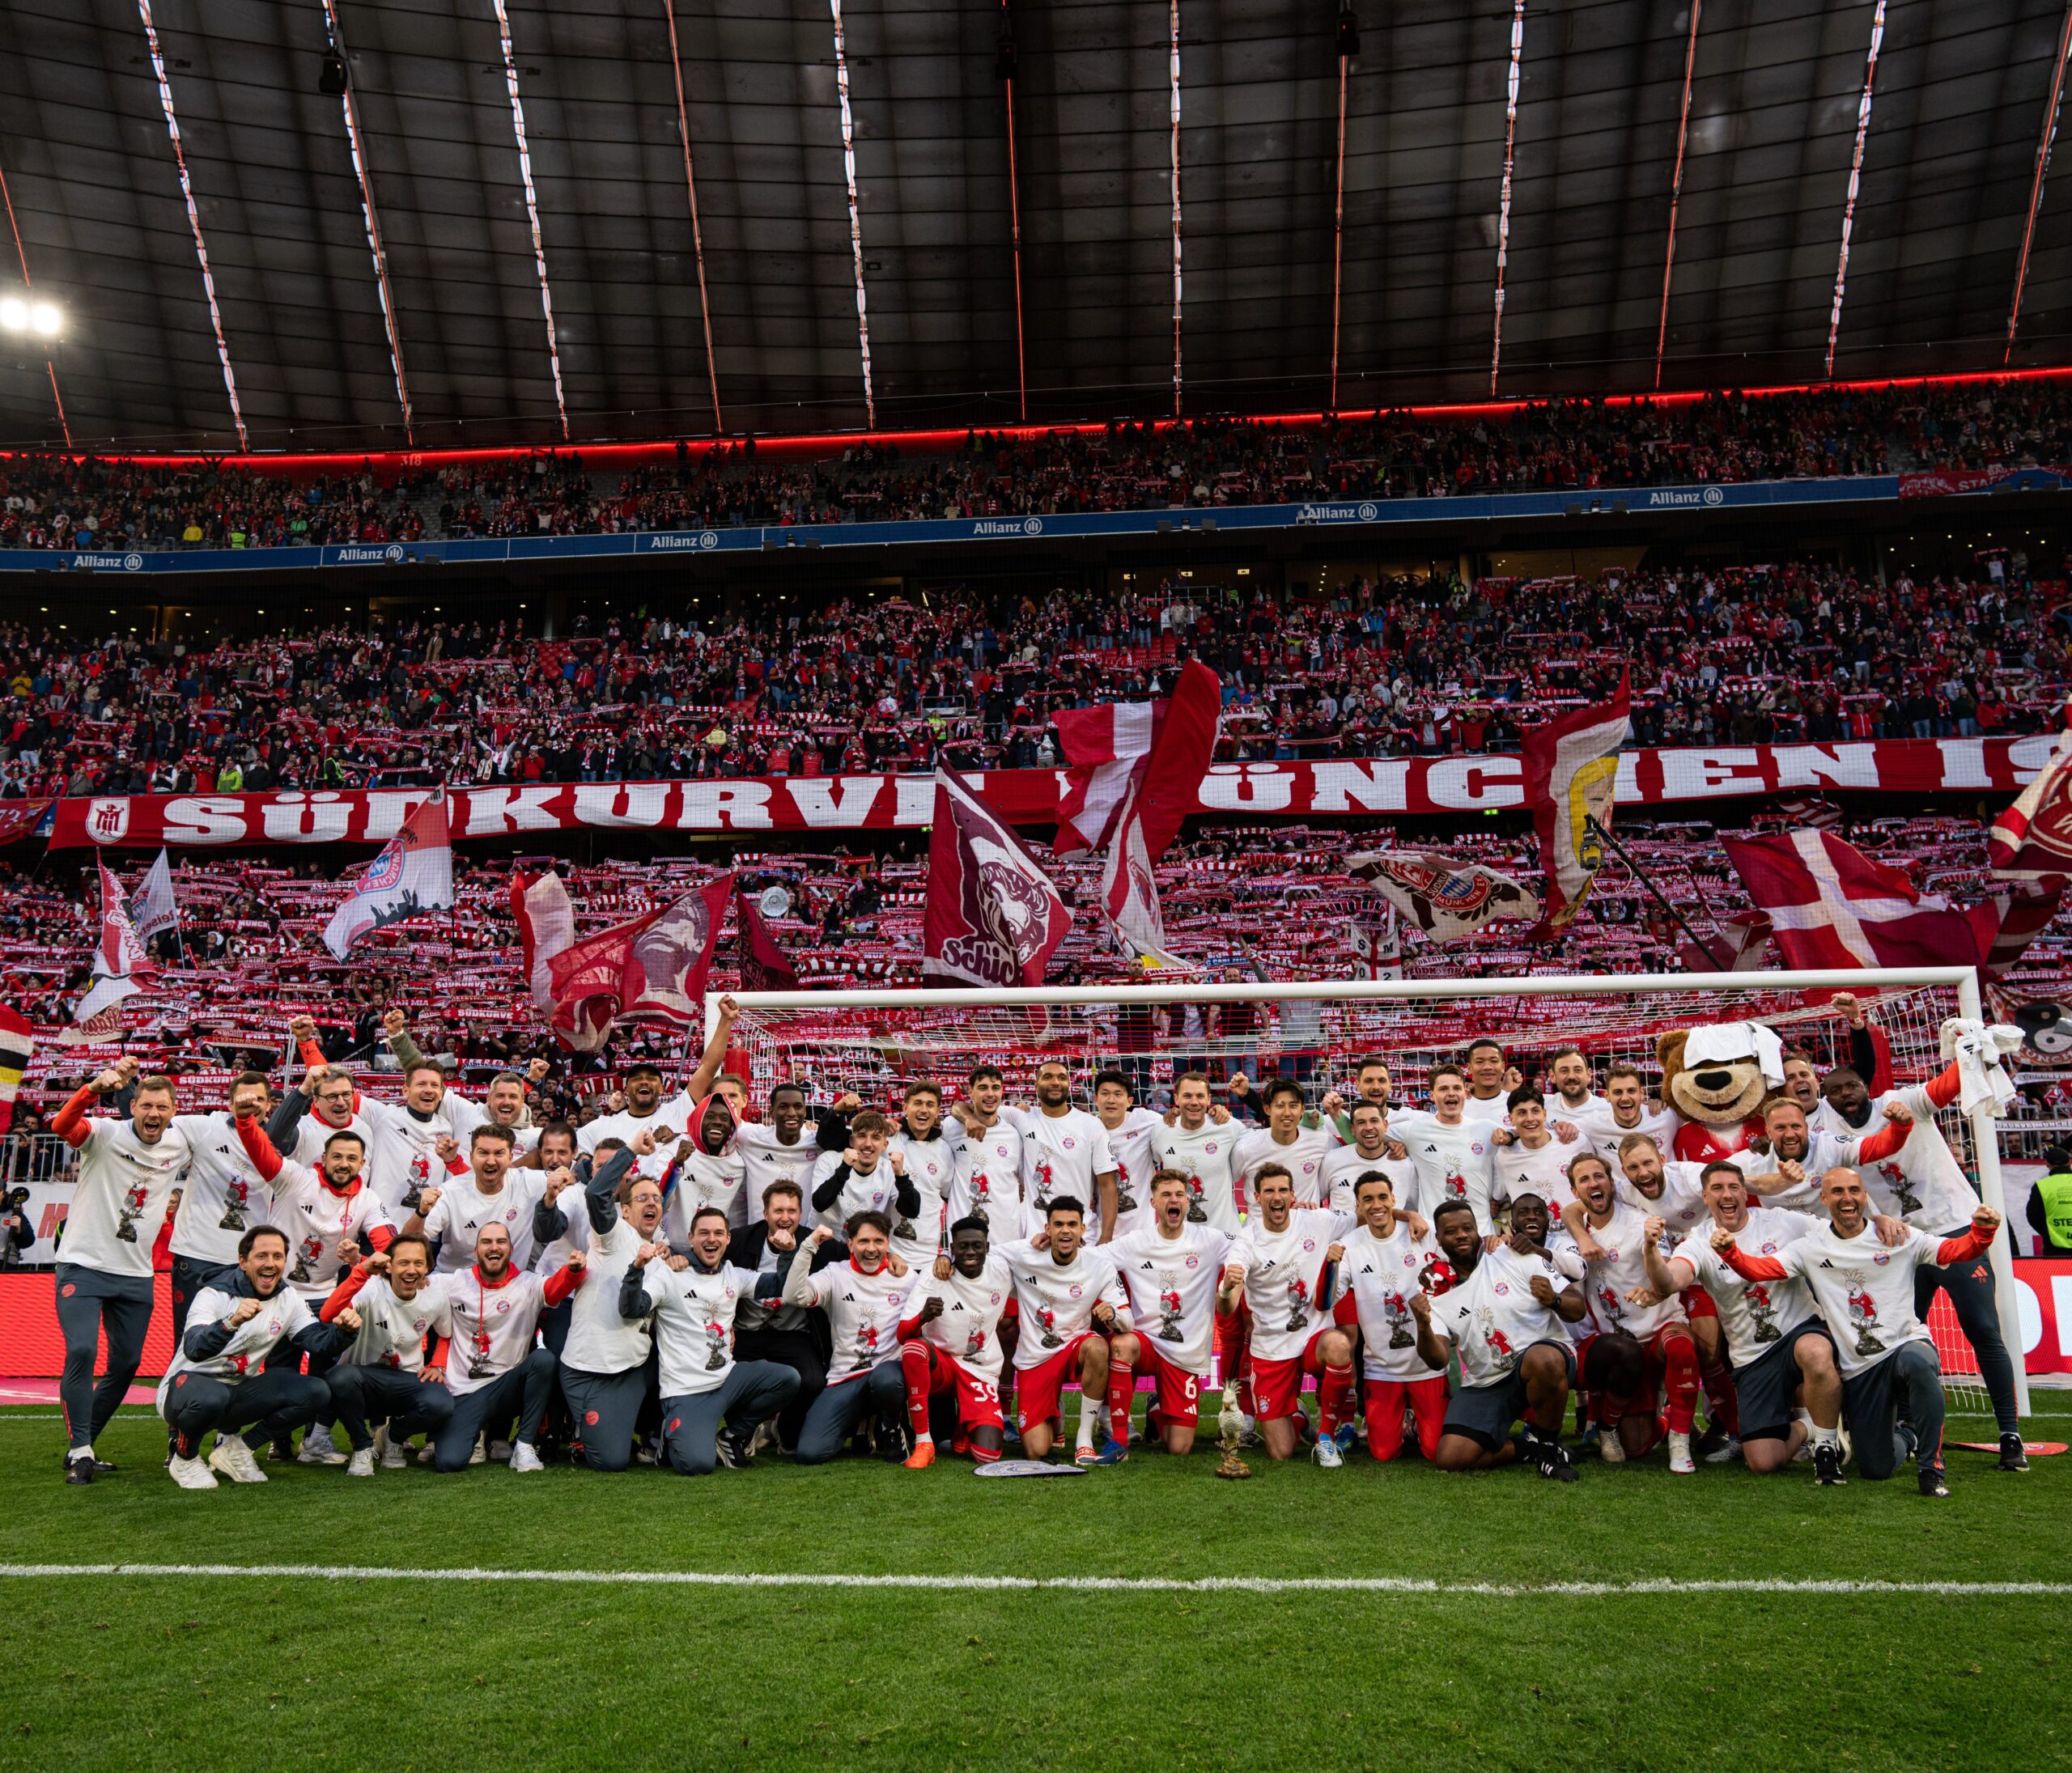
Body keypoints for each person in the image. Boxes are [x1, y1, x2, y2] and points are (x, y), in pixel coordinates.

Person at [1810, 1021, 2025, 1470]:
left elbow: (1946, 1088)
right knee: (1899, 1340)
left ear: (1866, 1085)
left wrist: (1966, 1056)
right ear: (1827, 1098)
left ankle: (2010, 1433)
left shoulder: (1901, 1101)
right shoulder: (1830, 1131)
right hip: (1900, 1244)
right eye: (1836, 1090)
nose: (1846, 1094)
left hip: (1952, 1229)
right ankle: (1906, 1427)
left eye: (1851, 1085)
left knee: (1983, 1328)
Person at [1713, 1167, 2003, 1496]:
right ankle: (1908, 1435)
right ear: (1824, 1199)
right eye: (1837, 1192)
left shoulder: (1897, 1235)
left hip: (1904, 1344)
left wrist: (1982, 1232)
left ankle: (1931, 1470)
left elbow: (1954, 1251)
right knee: (1875, 1468)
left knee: (1921, 1363)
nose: (1847, 1198)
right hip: (1860, 1369)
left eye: (1854, 1190)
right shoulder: (1810, 1247)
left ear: (1865, 1196)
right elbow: (1761, 1269)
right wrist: (1729, 1253)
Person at [1647, 1161, 1878, 1482]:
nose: (1726, 1194)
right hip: (1752, 1356)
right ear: (1705, 1197)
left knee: (1816, 1352)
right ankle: (1808, 1426)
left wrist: (1878, 1221)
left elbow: (1838, 1227)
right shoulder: (1699, 1241)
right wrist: (1650, 1249)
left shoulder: (1780, 1222)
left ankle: (1826, 1449)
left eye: (1733, 1187)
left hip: (1799, 1330)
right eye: (1717, 1188)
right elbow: (1669, 1282)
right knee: (1762, 1461)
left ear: (1745, 1193)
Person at [50, 1058, 197, 1483]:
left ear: (174, 1111)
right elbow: (63, 1127)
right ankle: (80, 1449)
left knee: (128, 1363)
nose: (153, 1114)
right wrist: (92, 1089)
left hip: (136, 1274)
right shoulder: (105, 1133)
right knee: (81, 1351)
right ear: (132, 1106)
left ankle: (84, 1444)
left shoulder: (180, 1145)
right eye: (146, 1105)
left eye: (162, 1108)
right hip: (84, 1263)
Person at [158, 1224, 355, 1489]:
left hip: (237, 1395)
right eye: (262, 1256)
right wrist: (230, 1322)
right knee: (211, 1396)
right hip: (184, 1390)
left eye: (278, 1256)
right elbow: (194, 1348)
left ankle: (238, 1450)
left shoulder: (289, 1299)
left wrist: (344, 1332)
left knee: (316, 1390)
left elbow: (318, 1341)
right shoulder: (213, 1294)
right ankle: (186, 1457)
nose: (270, 1264)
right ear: (243, 1262)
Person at [1409, 1194, 1586, 1481]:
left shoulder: (1515, 1255)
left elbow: (1577, 1308)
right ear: (1439, 1240)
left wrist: (1553, 1300)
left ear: (1478, 1229)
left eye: (1467, 1228)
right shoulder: (1436, 1288)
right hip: (1486, 1380)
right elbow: (1437, 1358)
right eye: (1451, 1232)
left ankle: (1549, 1444)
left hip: (1541, 1360)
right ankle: (1529, 1448)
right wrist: (1422, 1325)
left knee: (1542, 1359)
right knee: (1450, 1458)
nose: (1461, 1235)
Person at [619, 1203, 796, 1475]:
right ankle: (669, 1437)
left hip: (727, 1380)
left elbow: (780, 1286)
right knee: (697, 1465)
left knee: (788, 1379)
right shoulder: (670, 1274)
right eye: (703, 1233)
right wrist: (636, 1269)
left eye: (718, 1233)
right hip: (686, 1390)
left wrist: (786, 1254)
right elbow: (631, 1309)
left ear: (728, 1239)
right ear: (691, 1239)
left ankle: (731, 1436)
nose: (711, 1239)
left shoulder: (734, 1275)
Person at [1560, 1152, 1701, 1471]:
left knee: (1681, 1347)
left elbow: (1666, 1272)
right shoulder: (1572, 1233)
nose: (1593, 1183)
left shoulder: (1642, 1222)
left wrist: (1651, 1249)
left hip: (1662, 1327)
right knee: (1637, 1447)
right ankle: (1666, 1419)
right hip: (1625, 1349)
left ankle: (1681, 1442)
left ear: (1611, 1183)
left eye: (1599, 1176)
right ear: (1575, 1192)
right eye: (1584, 1179)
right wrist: (1581, 1237)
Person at [1217, 1163, 1354, 1465]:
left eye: (1282, 1190)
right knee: (1281, 1452)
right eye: (1269, 1191)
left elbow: (1368, 1215)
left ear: (1293, 1195)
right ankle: (1300, 1418)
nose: (1276, 1197)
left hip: (1313, 1336)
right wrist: (1227, 1290)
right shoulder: (1246, 1242)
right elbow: (1227, 1306)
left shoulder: (1318, 1220)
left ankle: (1326, 1438)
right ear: (1256, 1197)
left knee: (1340, 1345)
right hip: (1272, 1347)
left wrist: (1407, 1215)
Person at [996, 1196, 1134, 1464]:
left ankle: (1084, 1440)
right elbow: (985, 1254)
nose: (1065, 1230)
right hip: (1035, 1360)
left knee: (1097, 1346)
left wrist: (1113, 1314)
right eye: (1058, 1224)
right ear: (1047, 1229)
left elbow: (1128, 1321)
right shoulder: (1025, 1253)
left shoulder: (1098, 1263)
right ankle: (1053, 1415)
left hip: (1074, 1349)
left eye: (1073, 1224)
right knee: (1036, 1451)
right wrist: (946, 1255)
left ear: (1083, 1229)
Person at [549, 1134, 656, 1470]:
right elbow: (596, 1192)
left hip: (632, 1367)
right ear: (624, 1210)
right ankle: (582, 1430)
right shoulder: (613, 1235)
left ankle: (653, 1433)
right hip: (590, 1369)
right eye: (641, 1198)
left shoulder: (660, 1248)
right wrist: (633, 1151)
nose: (651, 1203)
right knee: (609, 1461)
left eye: (656, 1198)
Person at [428, 1219, 569, 1473]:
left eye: (501, 1241)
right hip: (465, 1393)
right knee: (449, 1461)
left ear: (510, 1249)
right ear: (476, 1251)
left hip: (507, 1388)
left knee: (544, 1360)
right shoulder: (453, 1283)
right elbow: (414, 1283)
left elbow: (555, 1290)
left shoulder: (527, 1283)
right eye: (487, 1242)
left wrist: (574, 1270)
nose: (494, 1247)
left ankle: (524, 1446)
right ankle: (473, 1435)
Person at [1331, 1169, 1448, 1462]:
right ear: (1358, 1206)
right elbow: (1329, 1298)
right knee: (1384, 1454)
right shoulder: (1350, 1245)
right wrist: (1330, 1267)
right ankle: (1406, 1424)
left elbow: (1453, 1267)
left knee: (1436, 1452)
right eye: (1367, 1200)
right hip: (1382, 1369)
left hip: (1428, 1366)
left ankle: (1418, 1423)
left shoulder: (1420, 1233)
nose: (1376, 1205)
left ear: (1394, 1199)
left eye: (1383, 1197)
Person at [1113, 1170, 1231, 1455]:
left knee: (1179, 1448)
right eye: (1165, 1195)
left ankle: (1156, 1411)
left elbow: (1253, 1245)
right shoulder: (1134, 1242)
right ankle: (1117, 1439)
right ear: (1153, 1202)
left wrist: (1301, 1219)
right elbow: (1090, 1260)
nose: (1173, 1200)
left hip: (1184, 1353)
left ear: (1188, 1201)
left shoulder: (1212, 1241)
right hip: (1146, 1345)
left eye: (1179, 1194)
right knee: (1121, 1344)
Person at [318, 1235, 457, 1476]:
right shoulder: (373, 1287)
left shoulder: (436, 1296)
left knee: (441, 1402)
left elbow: (445, 1335)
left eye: (418, 1263)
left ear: (427, 1267)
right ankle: (362, 1446)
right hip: (363, 1380)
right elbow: (328, 1314)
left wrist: (438, 1365)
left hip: (405, 1381)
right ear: (389, 1266)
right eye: (403, 1263)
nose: (411, 1270)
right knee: (340, 1377)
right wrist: (361, 1270)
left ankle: (392, 1436)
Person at [785, 1213, 915, 1465]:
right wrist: (809, 1245)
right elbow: (794, 1296)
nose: (871, 1249)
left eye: (878, 1241)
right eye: (864, 1241)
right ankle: (862, 1422)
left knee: (888, 1380)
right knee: (811, 1453)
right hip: (845, 1377)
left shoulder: (906, 1277)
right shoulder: (835, 1274)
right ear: (850, 1244)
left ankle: (890, 1427)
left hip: (887, 1374)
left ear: (888, 1245)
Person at [576, 996, 740, 1181]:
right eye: (637, 1079)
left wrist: (726, 1020)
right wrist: (585, 1162)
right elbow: (571, 1146)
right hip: (615, 1209)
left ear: (662, 1089)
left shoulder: (677, 1112)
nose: (644, 1082)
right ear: (626, 1089)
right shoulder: (604, 1125)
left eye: (651, 1079)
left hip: (663, 1207)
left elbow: (707, 1069)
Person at [167, 1070, 277, 1342]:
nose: (251, 1104)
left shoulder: (280, 1140)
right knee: (189, 1340)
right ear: (229, 1103)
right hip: (197, 1253)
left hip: (246, 1261)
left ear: (268, 1104)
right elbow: (153, 1125)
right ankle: (178, 1385)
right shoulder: (205, 1127)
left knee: (239, 1343)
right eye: (243, 1098)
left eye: (259, 1099)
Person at [897, 1215, 1013, 1466]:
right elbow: (902, 1334)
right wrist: (922, 1317)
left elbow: (1030, 1255)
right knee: (914, 1348)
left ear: (988, 1248)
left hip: (980, 1370)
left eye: (977, 1245)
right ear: (951, 1249)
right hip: (944, 1366)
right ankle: (924, 1442)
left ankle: (963, 1425)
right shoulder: (934, 1275)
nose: (970, 1252)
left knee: (987, 1455)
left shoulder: (1003, 1270)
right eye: (962, 1246)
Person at [728, 1181, 826, 1451]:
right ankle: (742, 1429)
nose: (785, 1218)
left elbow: (855, 1254)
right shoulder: (739, 1240)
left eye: (792, 1211)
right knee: (724, 1376)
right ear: (765, 1213)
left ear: (800, 1213)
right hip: (746, 1332)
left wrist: (892, 1258)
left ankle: (784, 1428)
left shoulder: (815, 1242)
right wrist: (680, 1259)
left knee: (813, 1381)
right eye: (778, 1210)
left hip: (791, 1334)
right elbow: (707, 1264)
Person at [406, 1124, 548, 1273]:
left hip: (509, 1287)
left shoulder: (528, 1182)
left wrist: (569, 1174)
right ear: (472, 1157)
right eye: (483, 1153)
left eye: (499, 1153)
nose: (491, 1161)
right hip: (453, 1284)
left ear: (510, 1158)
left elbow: (569, 1178)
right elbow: (407, 1243)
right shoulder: (450, 1192)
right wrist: (421, 1212)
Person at [1010, 1060, 1120, 1243]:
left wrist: (1106, 1237)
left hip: (1082, 1237)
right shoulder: (1023, 1119)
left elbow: (1108, 1185)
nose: (1055, 1082)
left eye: (1062, 1077)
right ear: (1036, 1086)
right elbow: (976, 1109)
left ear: (1069, 1085)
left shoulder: (1091, 1125)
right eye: (1048, 1077)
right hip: (1035, 1238)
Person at [1388, 1063, 1499, 1235]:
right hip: (1435, 1237)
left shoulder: (1486, 1129)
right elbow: (1366, 1135)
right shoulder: (1414, 1130)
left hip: (1482, 1236)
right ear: (1432, 1095)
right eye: (1443, 1089)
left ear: (1466, 1093)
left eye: (1456, 1088)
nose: (1451, 1093)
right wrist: (1390, 1143)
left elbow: (1522, 1138)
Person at [1149, 1071, 1242, 1232]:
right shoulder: (1161, 1130)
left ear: (1209, 1099)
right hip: (1180, 1238)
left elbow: (1267, 1137)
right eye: (1187, 1096)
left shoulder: (1229, 1127)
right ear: (1176, 1099)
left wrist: (1248, 1095)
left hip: (1224, 1236)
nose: (1194, 1102)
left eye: (1200, 1096)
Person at [809, 1109, 919, 1238]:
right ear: (851, 1141)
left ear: (885, 1145)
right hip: (823, 1244)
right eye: (861, 1136)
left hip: (862, 1248)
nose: (868, 1144)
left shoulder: (889, 1169)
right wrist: (845, 1168)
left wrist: (901, 1177)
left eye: (876, 1137)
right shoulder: (829, 1160)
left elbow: (912, 1212)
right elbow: (819, 1204)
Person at [1229, 1079, 1335, 1211]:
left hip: (1306, 1229)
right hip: (1260, 1229)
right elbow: (1224, 1181)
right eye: (1280, 1106)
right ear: (1267, 1109)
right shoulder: (1246, 1147)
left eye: (1293, 1106)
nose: (1287, 1113)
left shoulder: (1322, 1141)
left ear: (1302, 1109)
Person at [885, 1080, 960, 1262]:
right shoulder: (888, 1138)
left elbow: (948, 1196)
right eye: (917, 1103)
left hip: (929, 1256)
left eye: (930, 1105)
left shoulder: (944, 1150)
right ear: (905, 1107)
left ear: (937, 1112)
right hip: (889, 1252)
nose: (924, 1110)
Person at [945, 1064, 1024, 1233]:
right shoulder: (951, 1127)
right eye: (982, 1088)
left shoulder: (1014, 1134)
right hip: (966, 1241)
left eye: (995, 1088)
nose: (990, 1094)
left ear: (1002, 1091)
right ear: (970, 1091)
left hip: (1007, 1238)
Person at [1489, 1088, 1585, 1218]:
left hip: (1579, 1234)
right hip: (1534, 1238)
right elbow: (1496, 1198)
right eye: (1522, 1113)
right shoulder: (1504, 1157)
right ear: (1511, 1119)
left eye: (1535, 1111)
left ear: (1544, 1114)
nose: (1530, 1118)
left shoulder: (1575, 1141)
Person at [1091, 1069, 1164, 1240]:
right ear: (1095, 1099)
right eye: (1105, 1094)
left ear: (1130, 1101)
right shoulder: (1087, 1129)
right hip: (1098, 1232)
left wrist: (1215, 1112)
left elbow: (1183, 1123)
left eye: (1118, 1094)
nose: (1111, 1100)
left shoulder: (1145, 1120)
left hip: (1140, 1233)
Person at [1319, 1101, 1414, 1216]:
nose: (1368, 1127)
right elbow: (1316, 1195)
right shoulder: (1332, 1160)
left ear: (1385, 1125)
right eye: (1361, 1122)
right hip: (1343, 1234)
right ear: (1352, 1129)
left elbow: (1417, 1207)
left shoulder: (1406, 1165)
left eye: (1374, 1121)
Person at [2028, 1143, 2072, 1255]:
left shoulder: (2041, 1185)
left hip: (2055, 1248)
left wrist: (2047, 1232)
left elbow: (2033, 1216)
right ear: (2070, 1162)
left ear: (2047, 1164)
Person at [1459, 1037, 1510, 1123]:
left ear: (1502, 1067)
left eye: (1494, 1061)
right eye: (1479, 1062)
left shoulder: (1519, 1103)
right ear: (1469, 1068)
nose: (1487, 1067)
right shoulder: (1457, 1107)